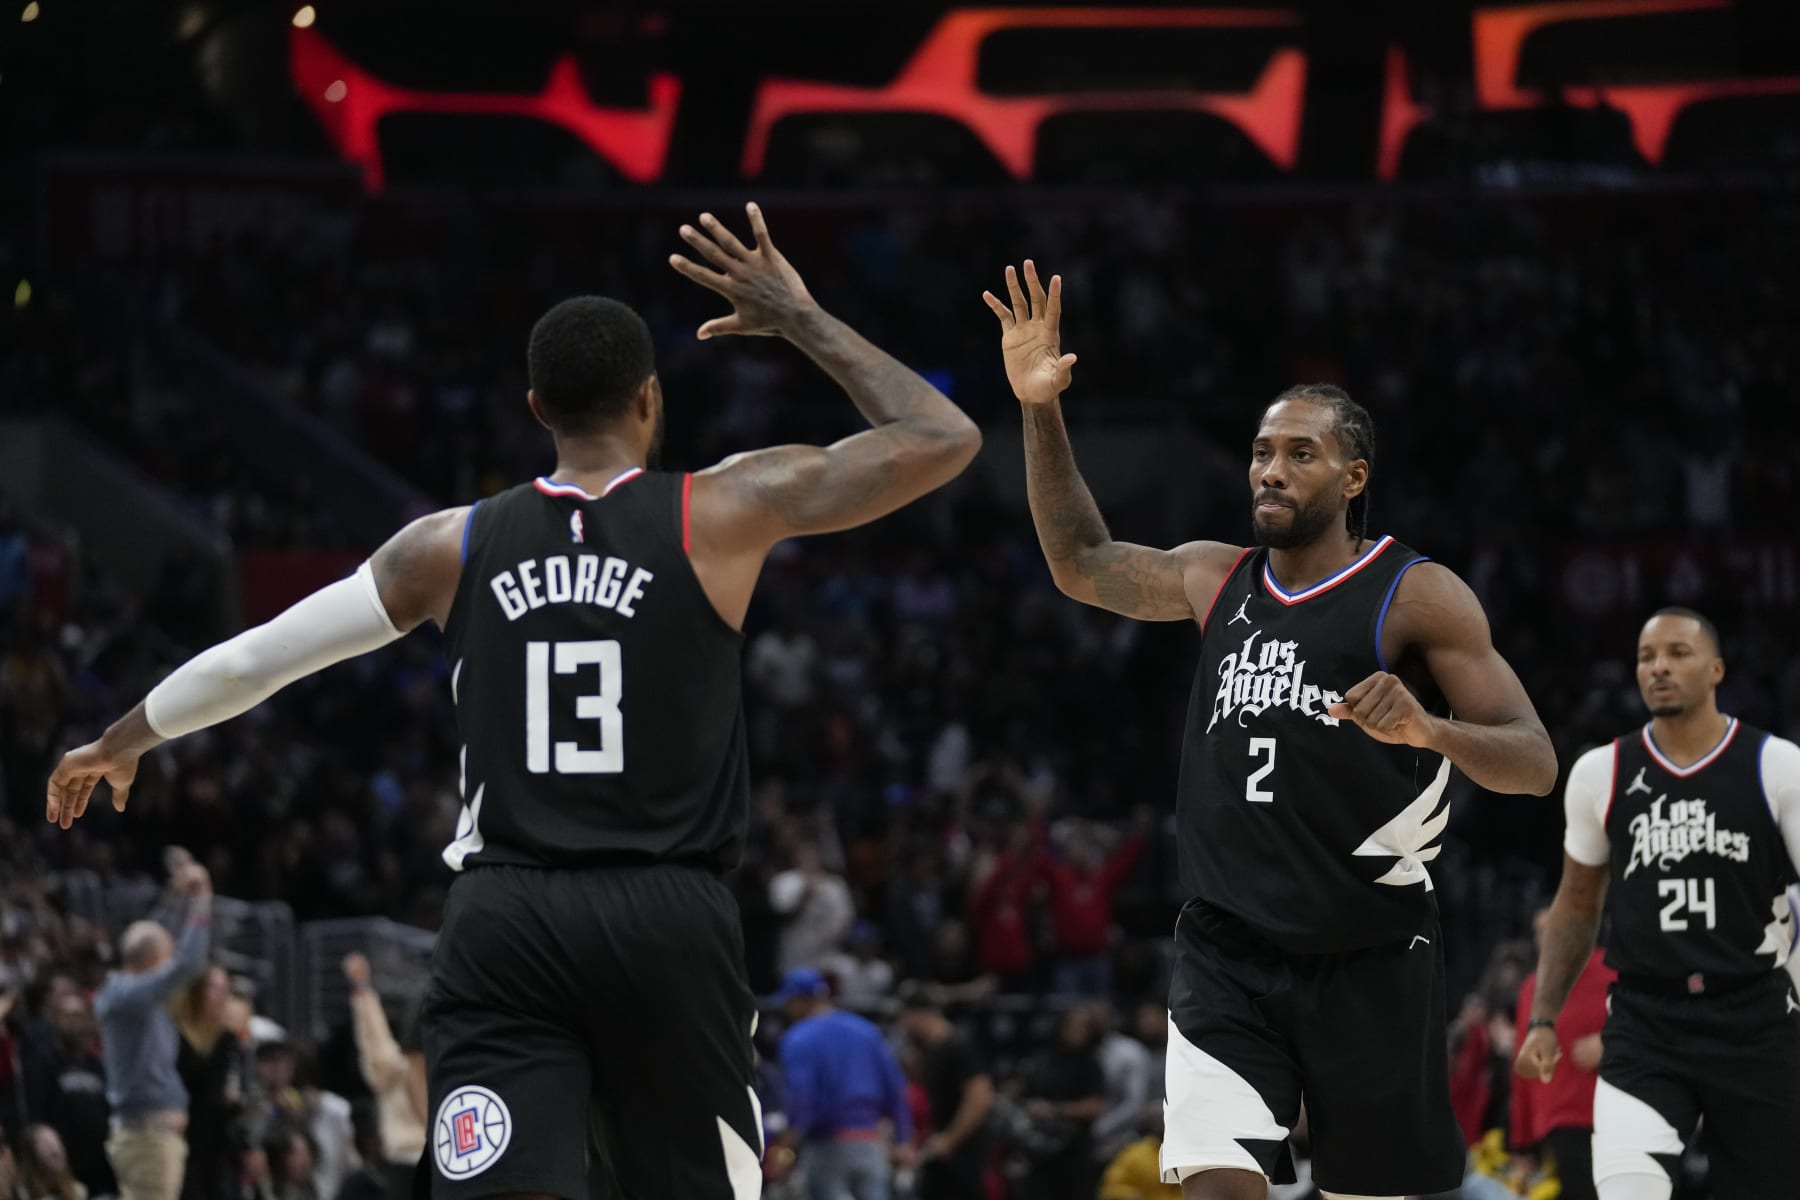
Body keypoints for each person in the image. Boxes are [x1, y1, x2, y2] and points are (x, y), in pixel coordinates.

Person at [47, 201, 983, 1200]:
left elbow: (258, 662)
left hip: (509, 920)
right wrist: (799, 316)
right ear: (651, 400)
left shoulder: (445, 545)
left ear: (536, 407)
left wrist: (124, 735)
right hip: (669, 916)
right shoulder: (722, 510)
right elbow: (942, 436)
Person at [983, 260, 1557, 1200]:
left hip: (1371, 951)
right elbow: (1081, 561)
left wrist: (1432, 729)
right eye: (1260, 452)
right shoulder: (1215, 579)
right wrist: (1039, 406)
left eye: (1299, 454)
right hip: (1227, 949)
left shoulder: (1415, 595)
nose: (1271, 471)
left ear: (1353, 475)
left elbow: (1534, 763)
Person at [1516, 608, 1800, 1200]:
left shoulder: (1776, 765)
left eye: (1678, 653)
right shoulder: (1602, 771)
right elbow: (1575, 904)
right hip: (1648, 1024)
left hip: (1756, 1019)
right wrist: (1544, 1017)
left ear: (1717, 669)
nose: (1659, 667)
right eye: (1647, 657)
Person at [94, 863, 212, 1200]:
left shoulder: (127, 988)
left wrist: (176, 897)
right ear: (156, 961)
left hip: (151, 1138)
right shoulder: (130, 996)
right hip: (147, 1138)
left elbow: (150, 939)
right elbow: (187, 962)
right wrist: (201, 901)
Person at [766, 968, 912, 1200]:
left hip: (826, 1146)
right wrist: (904, 1139)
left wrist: (787, 1148)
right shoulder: (867, 1031)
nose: (786, 1010)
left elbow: (802, 1098)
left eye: (789, 1003)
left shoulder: (799, 1037)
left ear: (799, 1001)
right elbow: (896, 1089)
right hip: (870, 1143)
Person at [1510, 907, 1614, 1200]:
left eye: (1550, 929)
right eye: (1538, 932)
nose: (1544, 939)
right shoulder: (1532, 988)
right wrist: (1521, 1143)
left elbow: (1650, 1027)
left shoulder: (1612, 972)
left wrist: (1610, 1043)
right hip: (1559, 1120)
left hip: (1612, 1112)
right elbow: (1522, 1070)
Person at [894, 985, 993, 1200]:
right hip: (939, 1149)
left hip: (962, 1151)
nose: (903, 1025)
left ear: (920, 1014)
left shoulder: (958, 1045)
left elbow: (980, 1098)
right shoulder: (931, 1051)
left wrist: (950, 1139)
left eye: (905, 1017)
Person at [339, 955, 425, 1200]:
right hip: (408, 1166)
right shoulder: (396, 1068)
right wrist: (362, 990)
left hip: (445, 1169)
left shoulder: (449, 1071)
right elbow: (375, 1041)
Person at [175, 966, 251, 1200]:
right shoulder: (180, 1036)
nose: (219, 995)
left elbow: (236, 1089)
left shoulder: (230, 1041)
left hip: (220, 1150)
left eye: (224, 989)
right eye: (212, 987)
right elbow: (192, 1082)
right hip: (186, 1146)